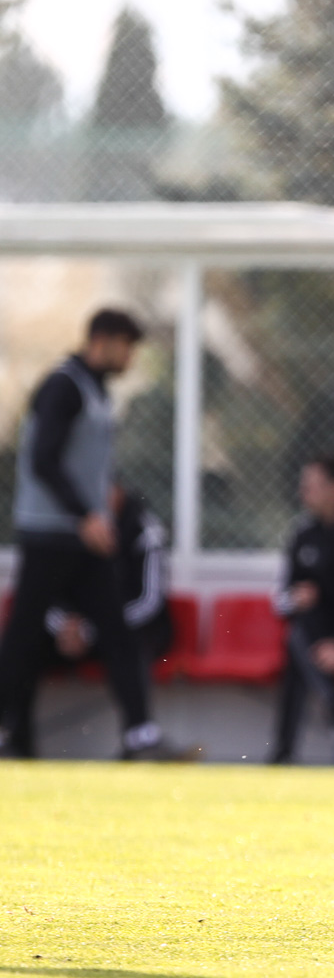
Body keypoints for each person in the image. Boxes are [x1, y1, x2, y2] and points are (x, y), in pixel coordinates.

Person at [0, 309, 188, 761]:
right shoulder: (63, 386)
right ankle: (8, 731)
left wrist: (93, 515)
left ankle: (140, 736)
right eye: (126, 347)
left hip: (85, 535)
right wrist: (85, 514)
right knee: (24, 635)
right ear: (101, 342)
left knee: (117, 632)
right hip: (52, 531)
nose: (130, 358)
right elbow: (43, 459)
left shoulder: (95, 391)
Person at [269, 453, 334, 765]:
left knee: (298, 648)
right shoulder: (303, 534)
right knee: (299, 635)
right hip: (314, 638)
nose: (303, 493)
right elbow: (280, 601)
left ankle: (284, 752)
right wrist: (297, 598)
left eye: (312, 486)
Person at [42, 480, 173, 680]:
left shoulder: (145, 531)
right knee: (26, 642)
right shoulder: (70, 526)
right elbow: (44, 589)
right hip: (75, 625)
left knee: (131, 648)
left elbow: (148, 600)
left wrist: (89, 630)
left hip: (127, 624)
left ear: (120, 492)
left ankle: (132, 700)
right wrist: (64, 626)